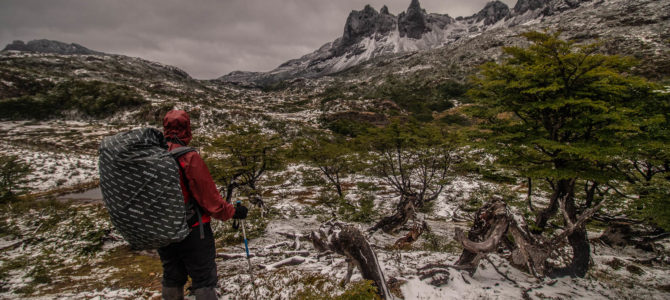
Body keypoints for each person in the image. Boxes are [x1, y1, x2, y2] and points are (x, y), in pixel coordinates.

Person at [160, 110, 248, 300]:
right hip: (193, 230)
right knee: (204, 279)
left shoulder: (153, 156)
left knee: (172, 276)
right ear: (187, 129)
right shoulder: (189, 157)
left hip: (163, 229)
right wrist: (233, 212)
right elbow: (210, 201)